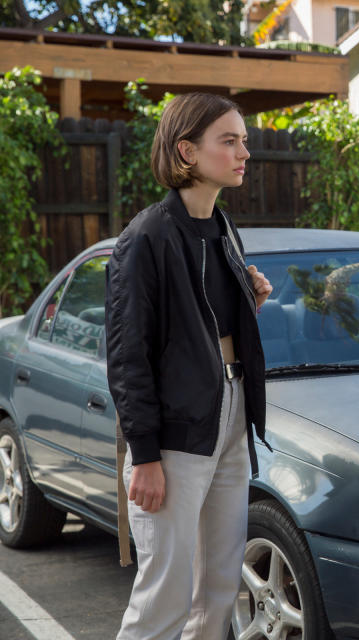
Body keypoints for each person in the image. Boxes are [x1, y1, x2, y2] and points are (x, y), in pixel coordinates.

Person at [105, 92, 273, 640]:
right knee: (164, 597)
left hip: (230, 413)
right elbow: (129, 355)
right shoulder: (146, 237)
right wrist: (145, 454)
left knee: (219, 589)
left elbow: (205, 327)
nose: (244, 151)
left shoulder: (222, 227)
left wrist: (250, 301)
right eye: (229, 140)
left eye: (243, 140)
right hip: (176, 435)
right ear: (186, 150)